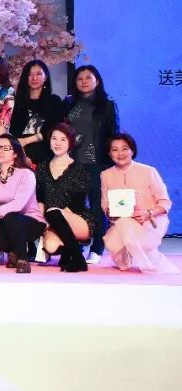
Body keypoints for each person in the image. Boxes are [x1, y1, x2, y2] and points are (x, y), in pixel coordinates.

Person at [63, 64, 120, 261]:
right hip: (72, 163)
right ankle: (76, 245)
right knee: (74, 206)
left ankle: (96, 248)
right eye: (80, 78)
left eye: (88, 77)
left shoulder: (107, 105)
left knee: (97, 207)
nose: (84, 82)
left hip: (96, 162)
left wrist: (111, 161)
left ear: (97, 81)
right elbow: (62, 130)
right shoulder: (70, 104)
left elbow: (113, 134)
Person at [100, 134, 176, 274]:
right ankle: (125, 259)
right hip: (122, 221)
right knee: (111, 242)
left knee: (129, 231)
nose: (120, 153)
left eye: (124, 148)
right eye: (115, 149)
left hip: (151, 221)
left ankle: (149, 262)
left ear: (132, 151)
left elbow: (165, 202)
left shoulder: (148, 171)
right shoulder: (106, 174)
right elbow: (105, 202)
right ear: (109, 154)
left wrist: (148, 213)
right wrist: (110, 211)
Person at [0, 134, 44, 274]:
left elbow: (18, 205)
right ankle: (13, 251)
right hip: (7, 220)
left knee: (10, 217)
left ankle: (22, 259)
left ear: (15, 153)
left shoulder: (26, 174)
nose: (0, 151)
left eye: (6, 148)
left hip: (31, 221)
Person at [35, 124, 93, 272]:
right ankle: (68, 251)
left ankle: (79, 260)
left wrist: (57, 214)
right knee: (50, 246)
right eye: (54, 139)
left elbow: (78, 202)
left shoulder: (79, 169)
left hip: (78, 218)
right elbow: (40, 198)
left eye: (63, 139)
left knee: (54, 211)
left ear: (70, 143)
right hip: (52, 219)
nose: (57, 143)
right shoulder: (41, 168)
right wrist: (42, 220)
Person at [11, 59, 64, 169]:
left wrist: (25, 141)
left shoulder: (54, 101)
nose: (34, 78)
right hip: (19, 156)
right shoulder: (16, 102)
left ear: (46, 77)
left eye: (39, 74)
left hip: (45, 156)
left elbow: (52, 129)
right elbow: (13, 131)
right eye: (30, 74)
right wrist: (22, 155)